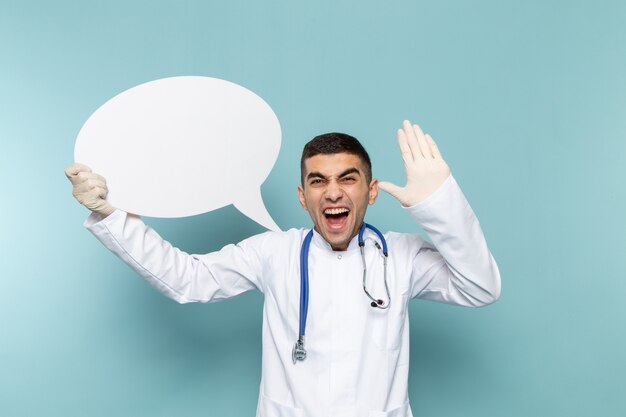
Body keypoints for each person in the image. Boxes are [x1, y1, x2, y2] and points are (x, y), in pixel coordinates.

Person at [65, 120, 500, 417]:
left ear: (371, 193)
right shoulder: (273, 252)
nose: (333, 193)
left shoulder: (401, 255)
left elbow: (480, 287)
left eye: (348, 179)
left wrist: (438, 204)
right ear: (301, 195)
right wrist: (110, 215)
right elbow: (188, 279)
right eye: (318, 181)